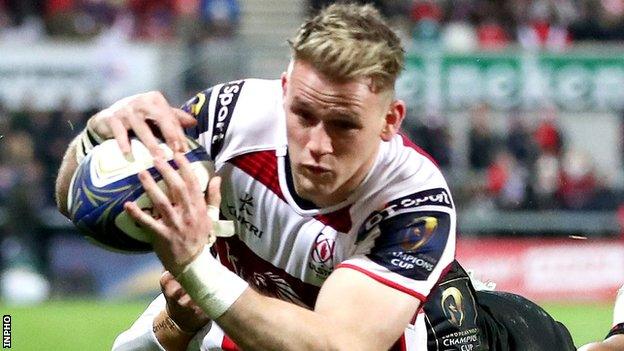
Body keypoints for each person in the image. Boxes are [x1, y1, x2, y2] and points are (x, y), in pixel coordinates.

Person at [54, 3, 624, 351]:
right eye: (302, 115)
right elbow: (72, 198)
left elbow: (340, 345)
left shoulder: (414, 200)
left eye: (344, 125)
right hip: (257, 319)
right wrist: (95, 137)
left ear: (389, 121)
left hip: (454, 336)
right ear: (282, 92)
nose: (317, 145)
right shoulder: (229, 117)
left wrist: (198, 269)